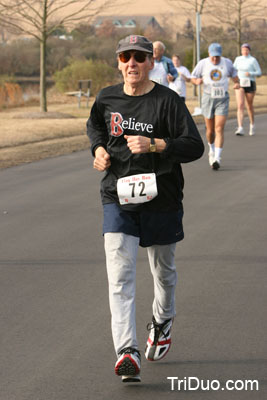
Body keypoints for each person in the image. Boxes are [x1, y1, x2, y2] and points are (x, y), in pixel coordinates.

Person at [87, 34, 204, 383]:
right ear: (118, 62)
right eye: (126, 57)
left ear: (151, 62)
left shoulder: (167, 101)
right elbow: (95, 127)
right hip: (117, 196)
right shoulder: (106, 97)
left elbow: (194, 146)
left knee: (163, 272)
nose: (132, 64)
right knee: (120, 276)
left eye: (140, 57)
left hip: (161, 199)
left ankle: (163, 318)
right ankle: (127, 351)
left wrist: (155, 144)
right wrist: (98, 151)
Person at [191, 43, 240, 170]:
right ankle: (211, 149)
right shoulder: (203, 63)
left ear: (221, 55)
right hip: (208, 97)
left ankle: (217, 157)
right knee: (210, 131)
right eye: (213, 57)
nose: (215, 59)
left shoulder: (227, 63)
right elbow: (193, 77)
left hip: (222, 98)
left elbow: (235, 76)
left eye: (217, 57)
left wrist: (237, 83)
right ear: (209, 54)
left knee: (219, 128)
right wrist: (197, 81)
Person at [233, 43, 262, 136]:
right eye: (243, 50)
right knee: (240, 105)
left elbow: (259, 72)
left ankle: (252, 124)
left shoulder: (252, 60)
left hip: (250, 83)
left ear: (249, 50)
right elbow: (233, 70)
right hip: (240, 83)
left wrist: (250, 73)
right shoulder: (238, 59)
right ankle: (240, 127)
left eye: (246, 50)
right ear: (241, 51)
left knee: (249, 105)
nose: (245, 51)